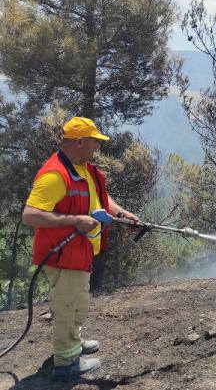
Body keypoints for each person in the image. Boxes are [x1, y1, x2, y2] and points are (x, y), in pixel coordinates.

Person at [22, 117, 139, 380]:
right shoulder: (55, 175)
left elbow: (99, 198)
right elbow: (30, 215)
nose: (96, 147)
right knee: (67, 305)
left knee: (76, 302)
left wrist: (122, 213)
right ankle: (66, 362)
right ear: (79, 141)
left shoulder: (81, 167)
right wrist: (75, 221)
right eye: (93, 142)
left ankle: (73, 342)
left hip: (78, 252)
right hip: (62, 254)